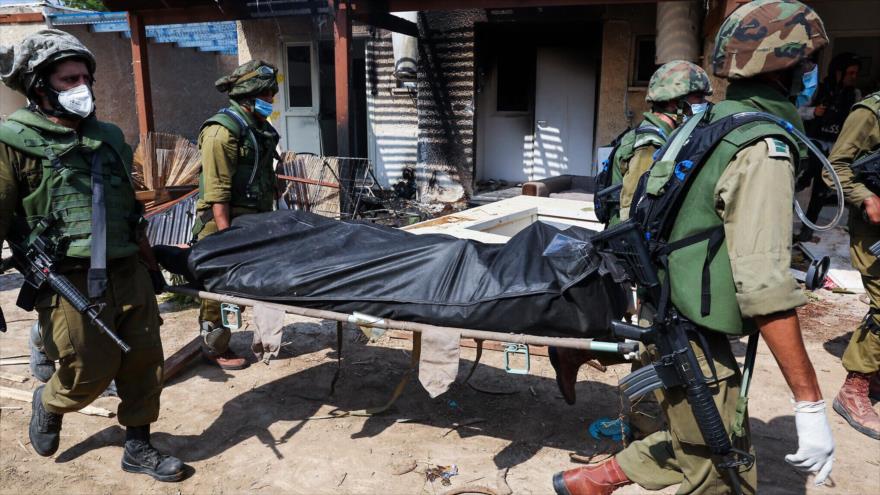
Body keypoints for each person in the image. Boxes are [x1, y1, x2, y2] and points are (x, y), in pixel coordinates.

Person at [552, 1, 835, 493]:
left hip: (674, 312)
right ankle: (593, 479)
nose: (811, 75)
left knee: (702, 443)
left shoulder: (705, 126)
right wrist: (808, 404)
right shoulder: (759, 145)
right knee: (721, 471)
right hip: (691, 331)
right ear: (788, 67)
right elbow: (765, 287)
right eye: (807, 64)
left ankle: (592, 480)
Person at [0, 29, 184, 481]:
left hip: (128, 270)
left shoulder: (108, 138)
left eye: (86, 77)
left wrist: (151, 264)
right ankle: (50, 401)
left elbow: (129, 209)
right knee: (88, 372)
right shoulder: (12, 141)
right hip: (68, 279)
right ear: (39, 86)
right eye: (68, 79)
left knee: (144, 363)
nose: (82, 87)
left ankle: (138, 446)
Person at [551, 60, 712, 406]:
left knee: (636, 324)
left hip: (634, 248)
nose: (701, 107)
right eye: (697, 99)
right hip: (633, 249)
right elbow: (634, 206)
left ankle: (575, 352)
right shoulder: (651, 143)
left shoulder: (660, 135)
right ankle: (575, 354)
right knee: (647, 329)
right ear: (676, 103)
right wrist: (645, 261)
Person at [192, 60, 281, 370]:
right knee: (218, 290)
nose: (271, 102)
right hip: (223, 225)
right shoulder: (221, 132)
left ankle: (243, 335)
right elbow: (217, 194)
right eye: (268, 96)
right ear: (249, 96)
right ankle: (214, 347)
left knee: (246, 286)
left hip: (253, 223)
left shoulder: (258, 126)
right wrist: (227, 241)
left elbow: (261, 169)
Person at [823, 90, 880, 439]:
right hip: (874, 225)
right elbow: (834, 168)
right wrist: (866, 197)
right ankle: (854, 388)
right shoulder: (871, 112)